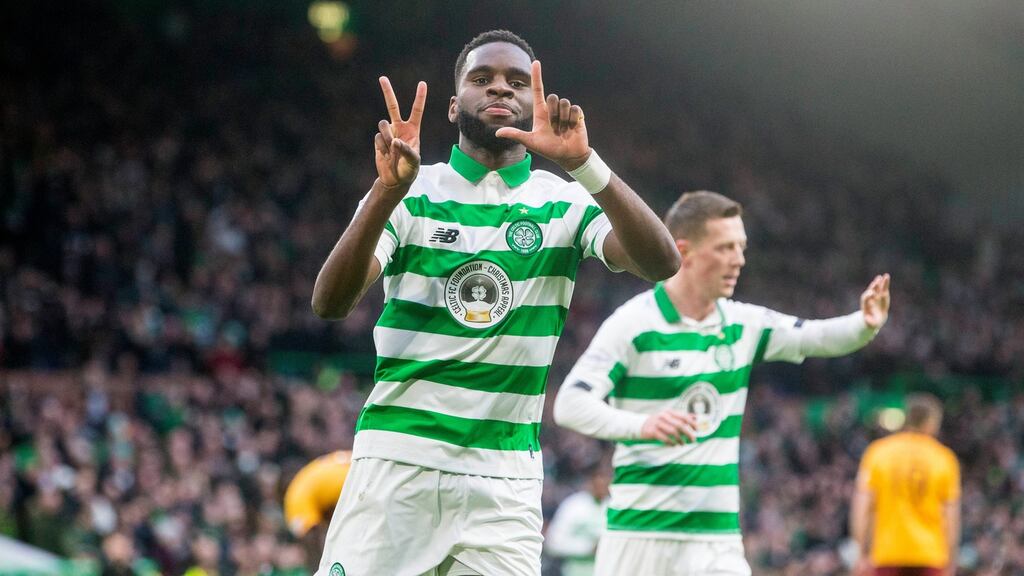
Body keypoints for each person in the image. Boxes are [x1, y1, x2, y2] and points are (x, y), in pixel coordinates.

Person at [310, 29, 680, 576]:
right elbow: (330, 303)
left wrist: (586, 165)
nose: (499, 89)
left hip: (504, 482)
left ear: (535, 105)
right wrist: (386, 192)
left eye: (515, 81)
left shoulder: (562, 200)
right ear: (455, 105)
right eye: (481, 79)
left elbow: (662, 262)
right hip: (397, 462)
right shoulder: (413, 189)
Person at [553, 191, 891, 576]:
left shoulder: (742, 324)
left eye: (741, 248)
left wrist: (865, 324)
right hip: (638, 536)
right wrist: (641, 426)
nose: (739, 260)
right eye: (726, 248)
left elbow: (813, 337)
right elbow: (570, 404)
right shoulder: (634, 323)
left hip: (716, 542)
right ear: (685, 252)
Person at [851, 393, 961, 576]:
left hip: (888, 552)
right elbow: (951, 514)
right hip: (930, 554)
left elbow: (862, 507)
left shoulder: (878, 452)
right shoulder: (944, 458)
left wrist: (861, 552)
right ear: (931, 422)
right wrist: (951, 558)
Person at [282, 451, 351, 564]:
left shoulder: (293, 497)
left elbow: (311, 539)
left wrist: (318, 569)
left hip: (363, 490)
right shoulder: (312, 473)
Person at [545, 465, 611, 576]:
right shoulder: (574, 505)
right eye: (599, 477)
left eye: (606, 478)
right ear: (590, 480)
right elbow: (553, 541)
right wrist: (588, 548)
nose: (602, 483)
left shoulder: (615, 507)